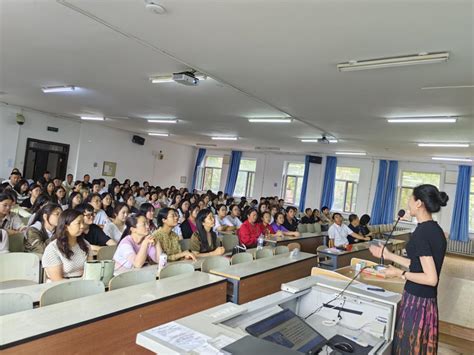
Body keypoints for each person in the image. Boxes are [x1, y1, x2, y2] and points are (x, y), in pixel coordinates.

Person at [369, 184, 449, 355]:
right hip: (426, 300)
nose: (408, 203)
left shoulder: (422, 232)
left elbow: (430, 278)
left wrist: (399, 273)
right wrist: (388, 255)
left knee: (408, 348)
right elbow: (418, 265)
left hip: (417, 302)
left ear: (419, 203)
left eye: (410, 198)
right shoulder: (434, 229)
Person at [42, 209, 92, 281]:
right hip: (62, 286)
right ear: (66, 227)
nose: (82, 226)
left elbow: (90, 271)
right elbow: (56, 279)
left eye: (83, 222)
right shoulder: (53, 248)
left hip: (82, 284)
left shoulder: (86, 244)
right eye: (78, 223)